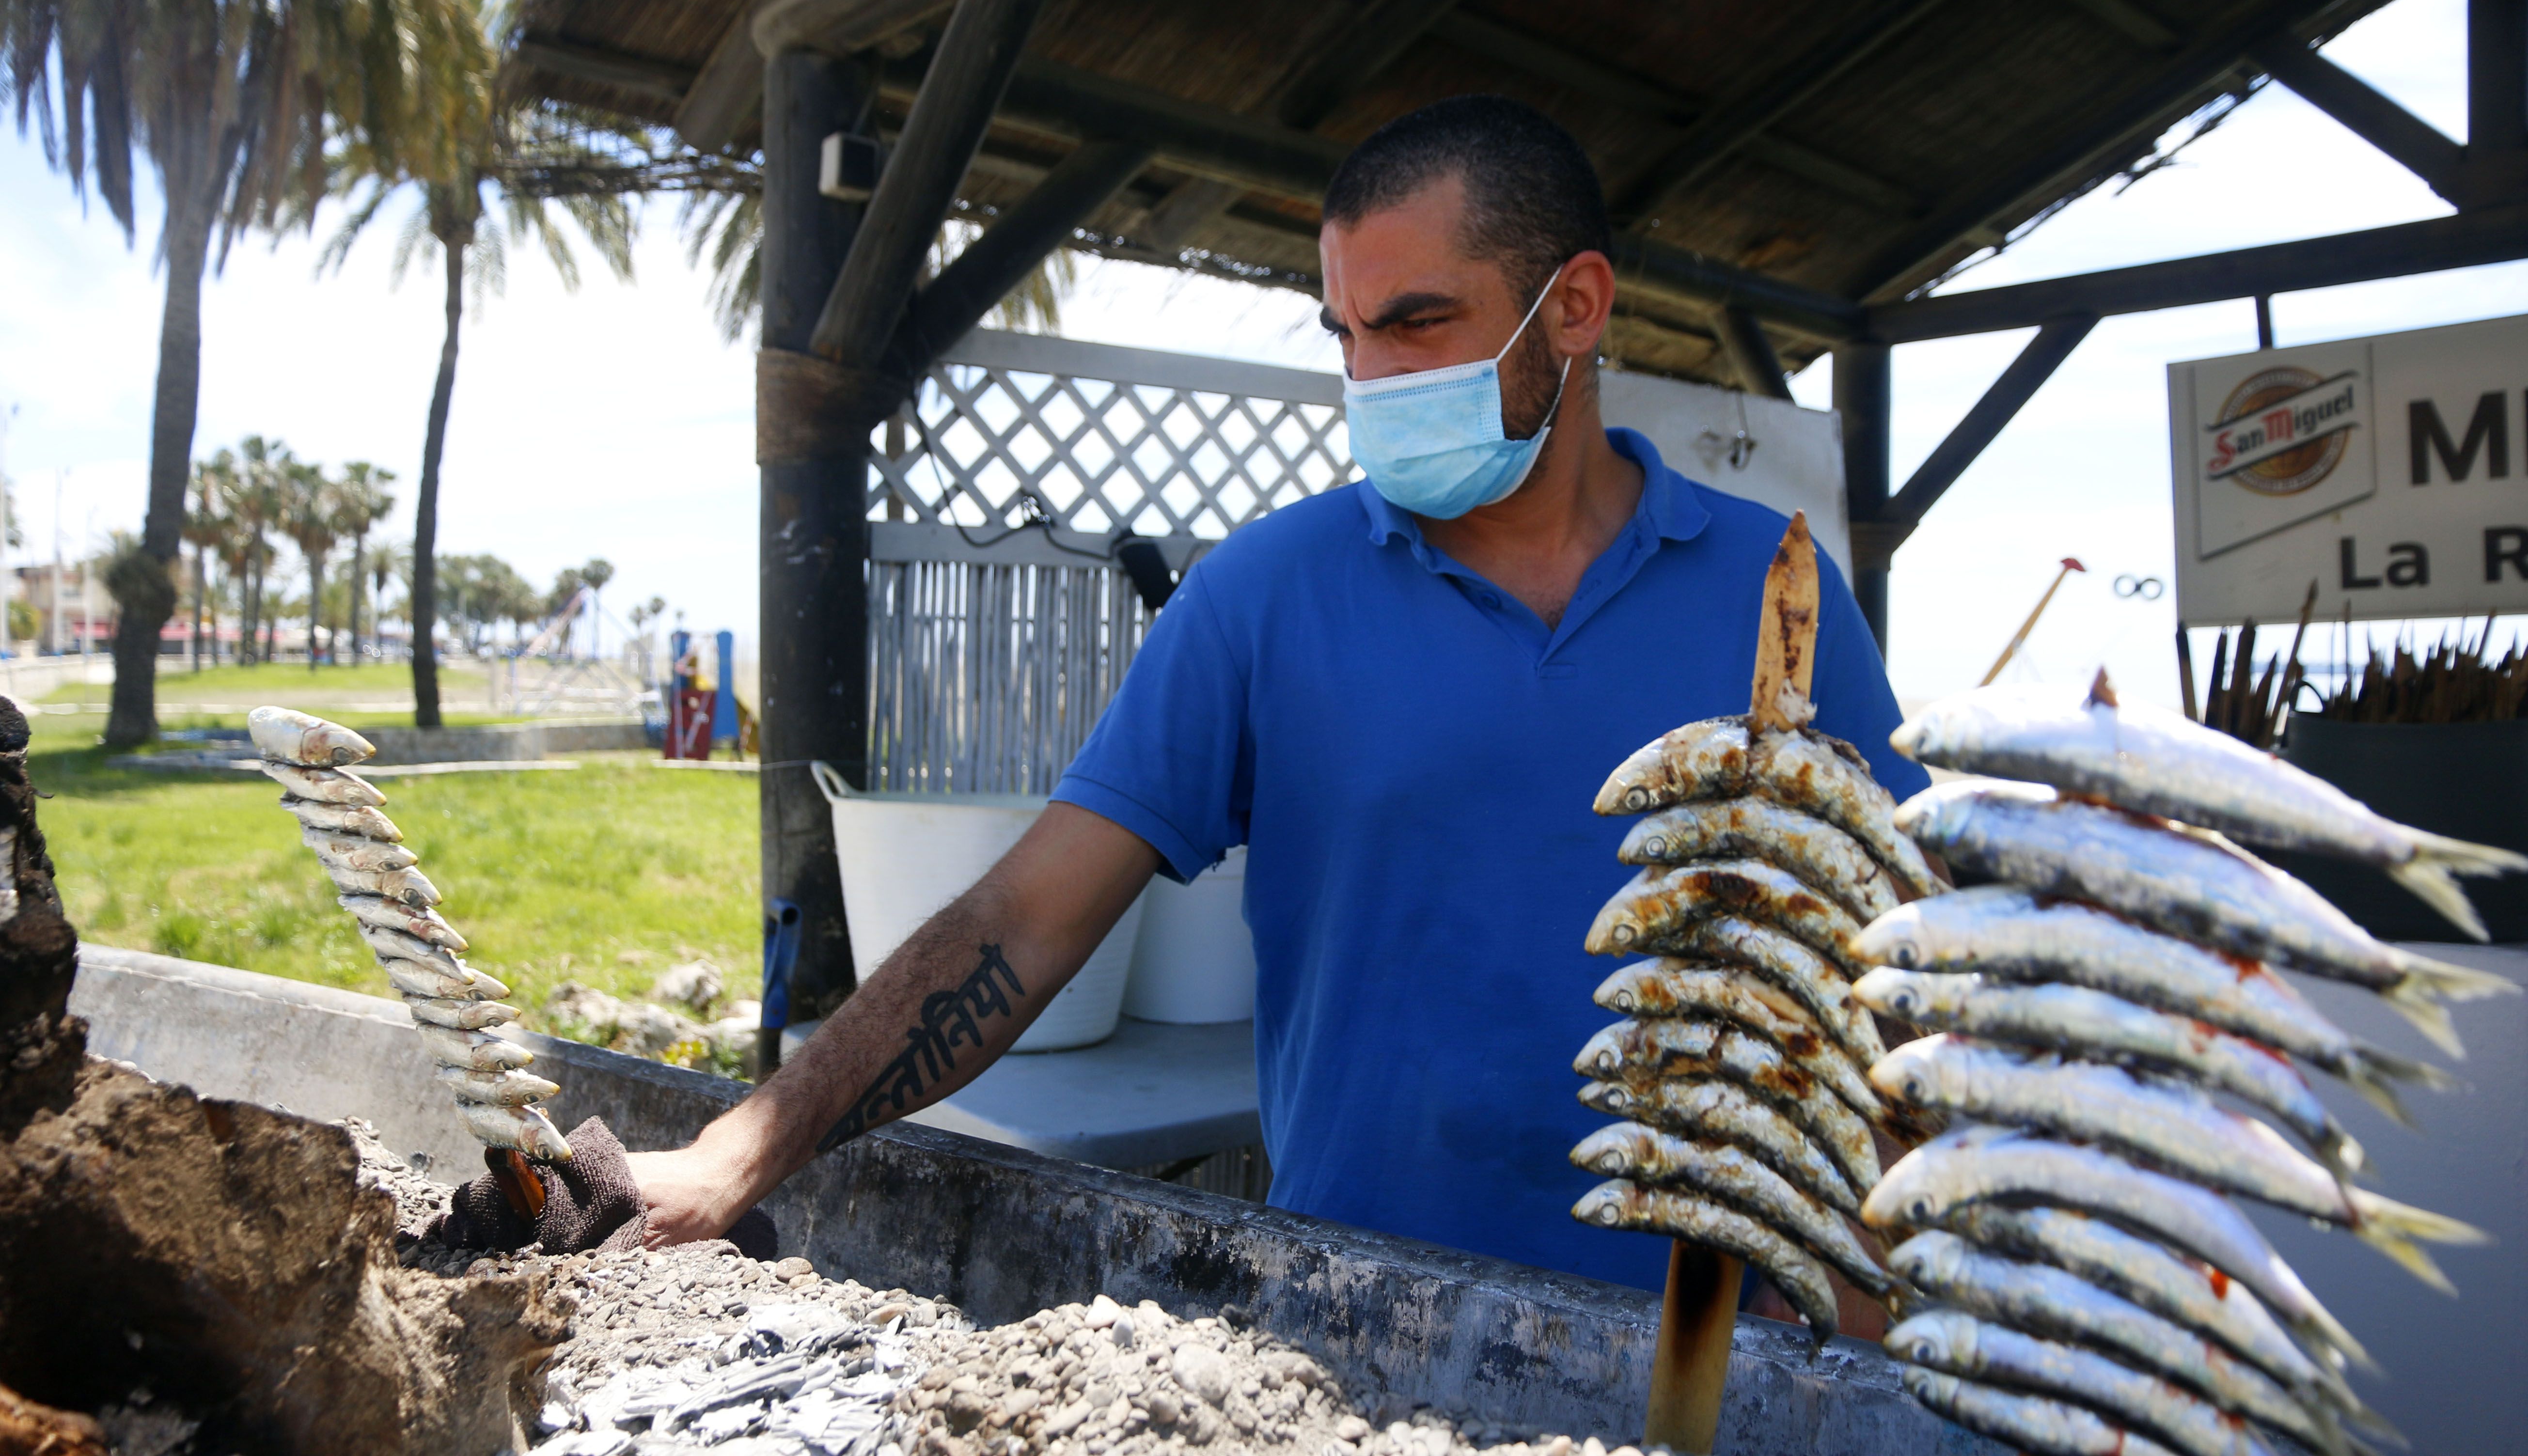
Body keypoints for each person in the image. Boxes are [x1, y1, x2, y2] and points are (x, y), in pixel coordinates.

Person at [631, 94, 1928, 1290]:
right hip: (1359, 1329)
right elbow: (1022, 921)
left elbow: (1893, 957)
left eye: (1416, 321)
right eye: (1346, 333)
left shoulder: (1774, 595)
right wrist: (741, 1148)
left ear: (1576, 305)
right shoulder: (1261, 596)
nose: (1371, 377)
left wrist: (1875, 1284)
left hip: (1720, 1341)